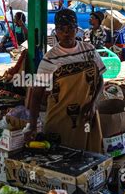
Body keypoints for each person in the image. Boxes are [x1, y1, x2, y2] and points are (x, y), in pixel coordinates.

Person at [27, 9, 106, 153]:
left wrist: (93, 103)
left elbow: (100, 80)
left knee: (88, 159)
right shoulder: (50, 59)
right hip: (59, 120)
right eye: (61, 29)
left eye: (70, 28)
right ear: (56, 31)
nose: (66, 33)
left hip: (86, 117)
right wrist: (32, 125)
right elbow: (36, 94)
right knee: (60, 160)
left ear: (77, 30)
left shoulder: (89, 51)